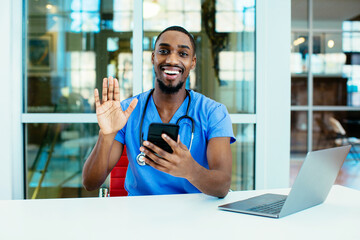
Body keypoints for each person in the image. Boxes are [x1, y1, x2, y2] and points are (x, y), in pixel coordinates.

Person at [82, 26, 236, 198]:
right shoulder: (126, 111)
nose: (171, 59)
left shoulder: (213, 112)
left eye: (183, 54)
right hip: (139, 214)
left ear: (192, 62)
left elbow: (222, 186)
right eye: (164, 51)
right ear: (153, 57)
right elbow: (90, 183)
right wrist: (106, 134)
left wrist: (190, 170)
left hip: (194, 214)